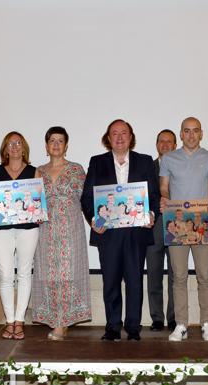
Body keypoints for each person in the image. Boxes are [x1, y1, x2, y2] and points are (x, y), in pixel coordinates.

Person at [81, 119, 159, 341]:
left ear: (131, 137)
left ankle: (133, 327)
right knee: (111, 281)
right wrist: (94, 219)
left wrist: (151, 215)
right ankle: (113, 327)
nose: (119, 137)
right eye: (114, 133)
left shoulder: (144, 162)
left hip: (137, 232)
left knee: (135, 281)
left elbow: (153, 196)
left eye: (123, 133)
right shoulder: (97, 162)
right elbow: (87, 197)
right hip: (109, 234)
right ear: (108, 138)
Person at [160, 117, 208, 342]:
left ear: (201, 133)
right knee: (179, 276)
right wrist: (165, 200)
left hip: (202, 224)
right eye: (187, 131)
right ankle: (181, 324)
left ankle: (206, 323)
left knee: (205, 275)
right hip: (176, 226)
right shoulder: (168, 158)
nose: (191, 135)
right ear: (181, 134)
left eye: (195, 131)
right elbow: (164, 188)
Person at [32, 126, 91, 340]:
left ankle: (63, 322)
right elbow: (31, 201)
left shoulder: (77, 169)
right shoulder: (38, 171)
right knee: (49, 273)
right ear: (46, 146)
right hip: (46, 229)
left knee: (68, 272)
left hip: (70, 228)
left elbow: (88, 199)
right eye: (52, 141)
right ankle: (56, 318)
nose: (56, 144)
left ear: (66, 145)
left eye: (60, 141)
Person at [0, 131, 40, 340]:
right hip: (2, 228)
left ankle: (19, 321)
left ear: (24, 147)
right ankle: (9, 321)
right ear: (5, 149)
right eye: (10, 144)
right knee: (6, 275)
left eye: (18, 143)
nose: (15, 147)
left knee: (25, 274)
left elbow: (38, 202)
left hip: (28, 228)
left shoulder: (35, 172)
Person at [146, 129, 176, 332]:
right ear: (157, 145)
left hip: (177, 228)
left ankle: (174, 318)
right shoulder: (147, 168)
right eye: (161, 141)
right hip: (153, 228)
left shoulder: (182, 167)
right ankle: (157, 317)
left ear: (175, 145)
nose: (165, 145)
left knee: (177, 275)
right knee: (154, 274)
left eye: (169, 142)